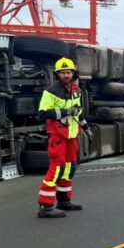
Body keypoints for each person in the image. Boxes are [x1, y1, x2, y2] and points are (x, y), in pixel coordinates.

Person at [36, 57, 91, 218]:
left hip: (72, 135)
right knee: (56, 169)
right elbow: (42, 113)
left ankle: (64, 200)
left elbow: (78, 112)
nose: (66, 75)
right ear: (57, 74)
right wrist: (66, 112)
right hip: (58, 135)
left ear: (73, 73)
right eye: (62, 72)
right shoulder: (51, 91)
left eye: (68, 72)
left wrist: (86, 127)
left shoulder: (76, 90)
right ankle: (45, 206)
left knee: (69, 168)